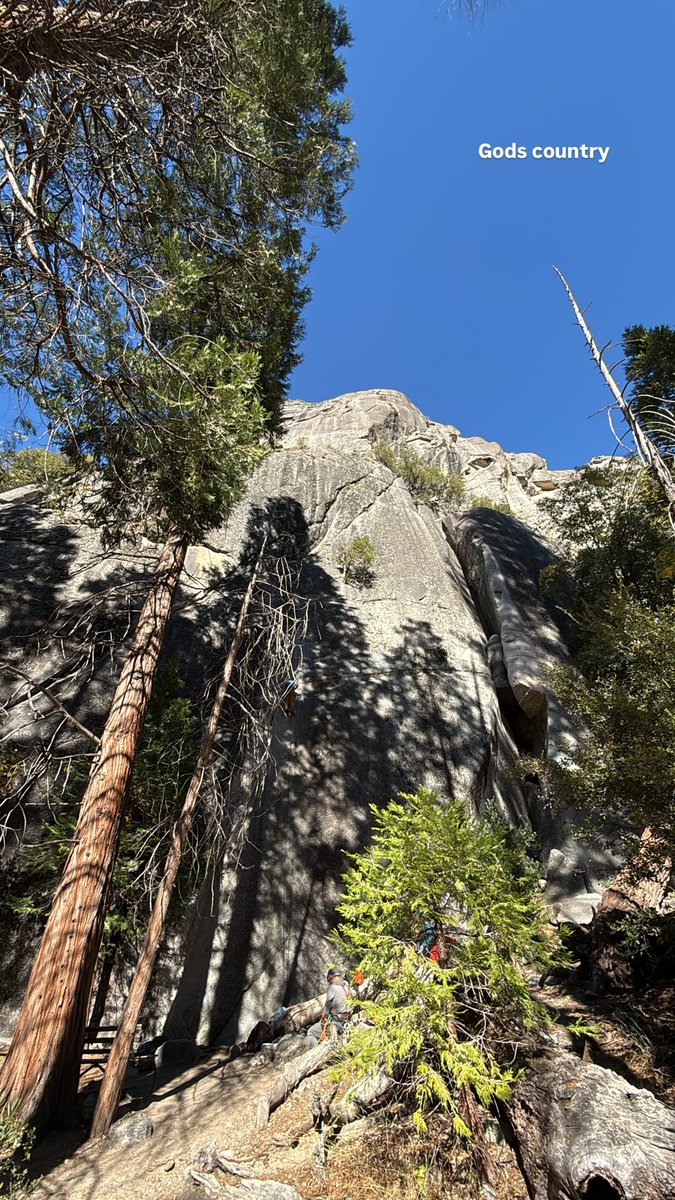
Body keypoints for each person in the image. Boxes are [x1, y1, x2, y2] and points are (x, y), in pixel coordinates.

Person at [307, 968, 351, 1046]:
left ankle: (314, 1053)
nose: (330, 983)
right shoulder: (346, 984)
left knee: (311, 1032)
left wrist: (323, 1017)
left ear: (332, 978)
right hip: (347, 1020)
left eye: (329, 981)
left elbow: (327, 1007)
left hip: (336, 1022)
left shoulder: (332, 988)